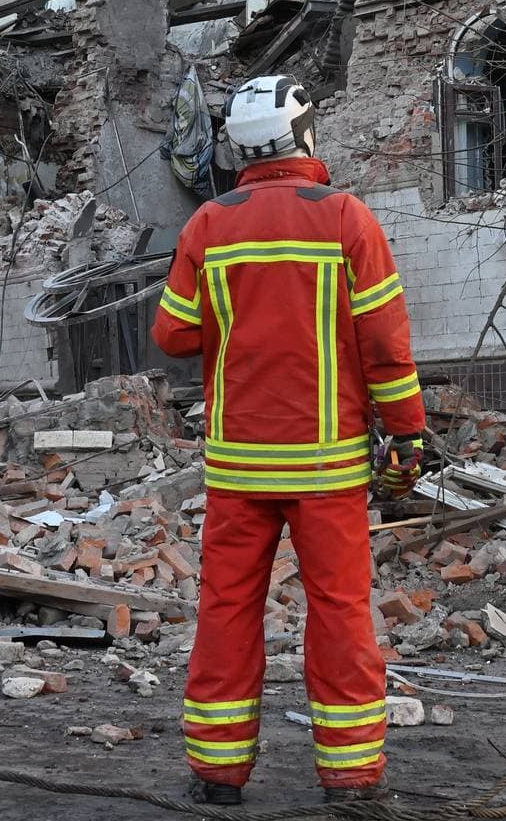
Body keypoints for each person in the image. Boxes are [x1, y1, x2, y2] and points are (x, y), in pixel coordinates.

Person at [152, 74, 426, 806]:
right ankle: (350, 780)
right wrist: (407, 433)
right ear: (304, 133)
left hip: (238, 466)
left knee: (227, 608)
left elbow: (172, 333)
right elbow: (385, 346)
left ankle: (216, 775)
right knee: (338, 611)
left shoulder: (209, 224)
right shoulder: (345, 218)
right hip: (326, 468)